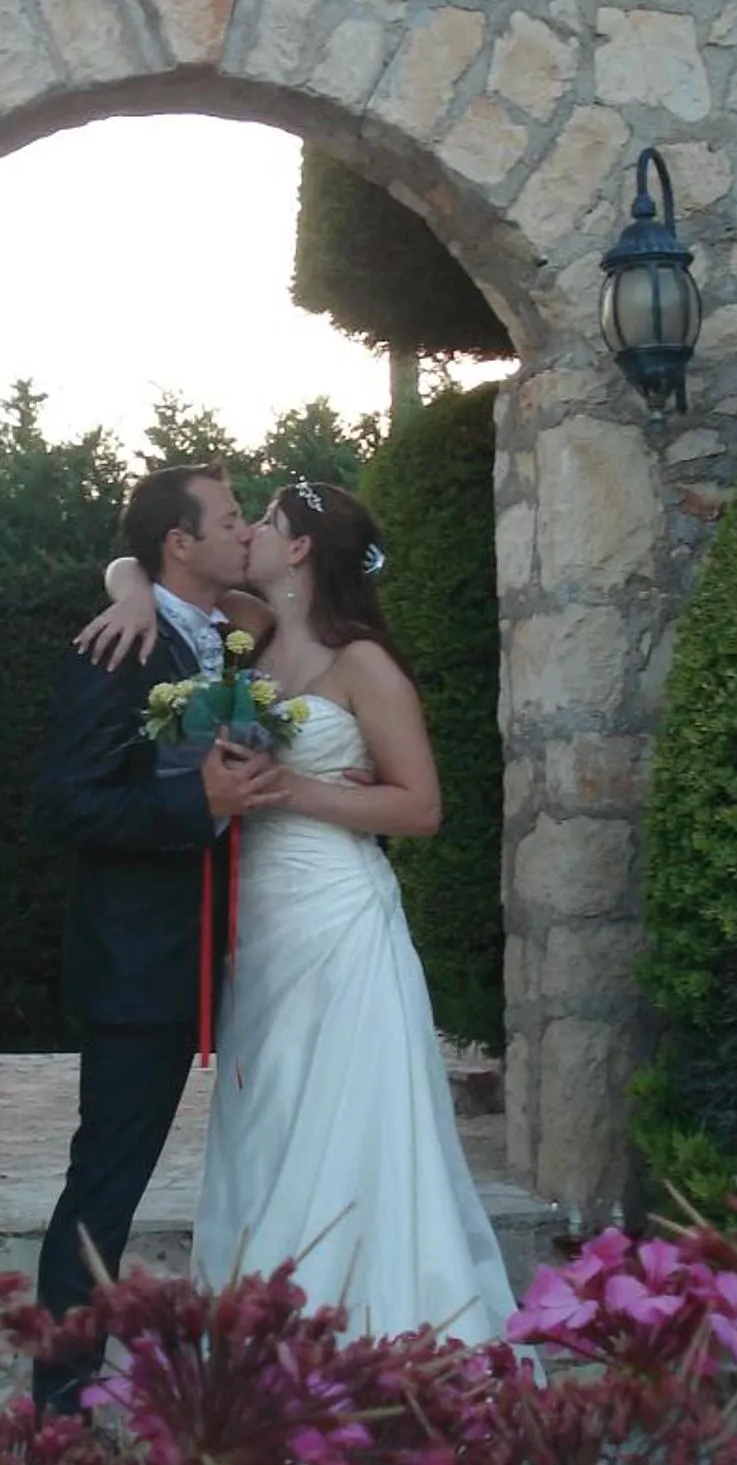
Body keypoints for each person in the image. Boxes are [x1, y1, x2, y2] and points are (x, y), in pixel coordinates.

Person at [78, 481, 516, 1347]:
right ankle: (264, 1325)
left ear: (303, 549)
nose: (251, 537)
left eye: (268, 524)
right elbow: (136, 563)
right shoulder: (255, 634)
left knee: (345, 1112)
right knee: (271, 1110)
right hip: (260, 919)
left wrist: (298, 789)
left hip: (338, 916)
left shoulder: (365, 664)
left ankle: (362, 1324)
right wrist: (130, 586)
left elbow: (421, 808)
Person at [27, 464, 279, 1416]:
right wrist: (194, 802)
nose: (245, 528)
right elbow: (63, 803)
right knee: (106, 1182)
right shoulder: (116, 650)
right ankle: (60, 1397)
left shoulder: (224, 635)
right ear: (181, 541)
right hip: (141, 965)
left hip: (237, 953)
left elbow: (262, 597)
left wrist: (126, 573)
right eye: (228, 518)